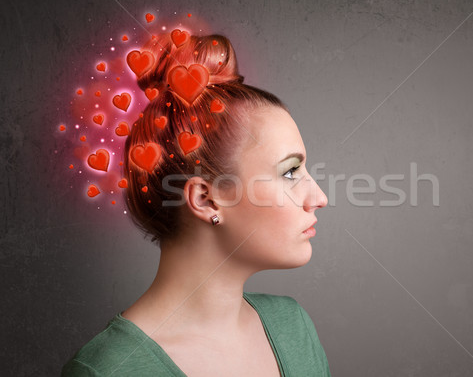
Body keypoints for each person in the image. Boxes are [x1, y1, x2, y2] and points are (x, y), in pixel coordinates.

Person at [61, 32, 330, 376]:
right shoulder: (109, 370)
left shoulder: (292, 327)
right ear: (205, 199)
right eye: (290, 172)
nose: (320, 198)